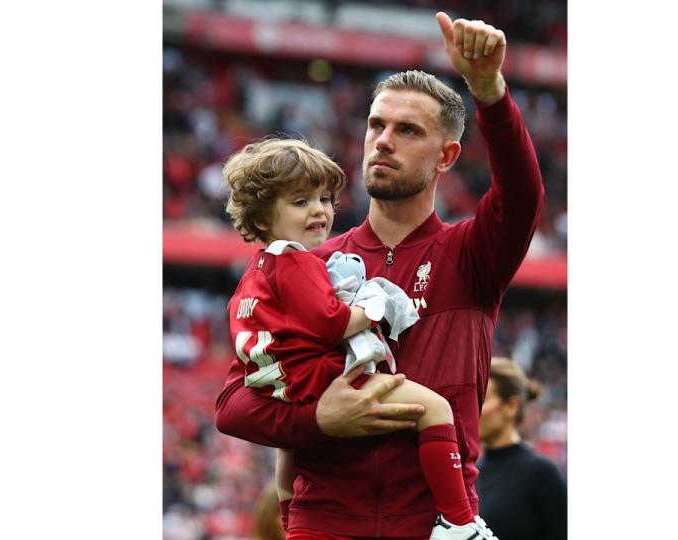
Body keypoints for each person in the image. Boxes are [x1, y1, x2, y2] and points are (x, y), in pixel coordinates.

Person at [216, 11, 544, 539]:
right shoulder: (305, 262)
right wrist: (317, 420)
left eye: (407, 130)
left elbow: (524, 197)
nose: (383, 140)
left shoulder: (473, 254)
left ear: (447, 156)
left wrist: (490, 92)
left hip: (433, 524)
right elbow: (234, 404)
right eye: (376, 124)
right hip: (322, 523)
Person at [222, 137, 484, 538]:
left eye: (324, 199)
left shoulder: (253, 273)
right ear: (261, 217)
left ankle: (291, 518)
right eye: (300, 202)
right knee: (434, 409)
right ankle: (459, 524)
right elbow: (333, 324)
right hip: (322, 376)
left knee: (290, 450)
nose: (319, 211)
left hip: (284, 384)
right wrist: (375, 305)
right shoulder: (298, 261)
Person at [476, 358, 567, 540]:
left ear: (511, 406)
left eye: (482, 399)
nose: (473, 408)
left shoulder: (541, 473)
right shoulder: (472, 473)